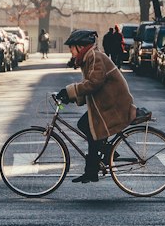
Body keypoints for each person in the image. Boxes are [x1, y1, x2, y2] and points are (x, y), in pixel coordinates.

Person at [55, 27, 139, 183]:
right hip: (106, 103)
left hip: (113, 104)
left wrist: (69, 91)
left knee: (89, 128)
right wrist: (71, 96)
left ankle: (97, 164)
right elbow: (88, 84)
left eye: (71, 48)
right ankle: (98, 162)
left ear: (80, 46)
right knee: (88, 128)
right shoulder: (89, 58)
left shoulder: (95, 57)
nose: (70, 51)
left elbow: (94, 83)